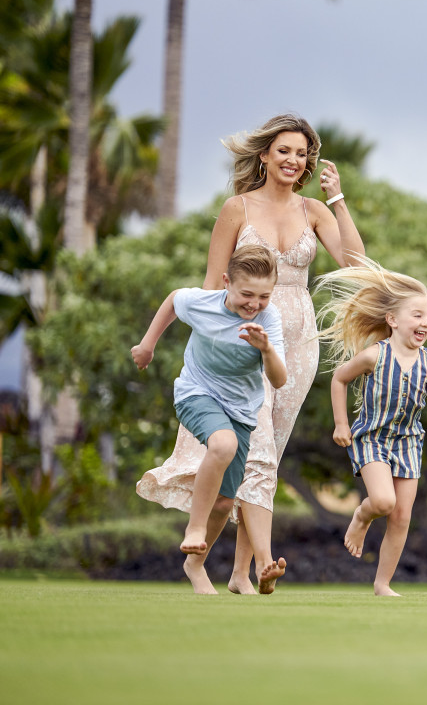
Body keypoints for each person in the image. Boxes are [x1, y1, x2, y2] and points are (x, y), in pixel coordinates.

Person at [137, 114, 366, 595]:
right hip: (241, 336)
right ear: (264, 155)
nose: (293, 160)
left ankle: (241, 573)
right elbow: (209, 283)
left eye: (302, 153)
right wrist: (208, 354)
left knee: (266, 457)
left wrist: (338, 201)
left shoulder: (313, 212)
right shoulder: (236, 208)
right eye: (284, 150)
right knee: (255, 449)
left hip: (295, 342)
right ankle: (258, 561)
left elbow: (356, 267)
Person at [131, 245, 287, 595]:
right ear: (226, 282)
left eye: (264, 296)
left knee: (225, 501)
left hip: (241, 410)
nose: (254, 303)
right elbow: (173, 300)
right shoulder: (202, 303)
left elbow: (278, 380)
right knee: (223, 444)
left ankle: (195, 564)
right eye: (246, 294)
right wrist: (147, 346)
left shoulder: (268, 319)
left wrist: (266, 350)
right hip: (195, 393)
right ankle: (194, 530)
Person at [316, 258, 427, 597]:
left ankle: (382, 584)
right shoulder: (374, 356)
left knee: (402, 516)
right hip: (372, 438)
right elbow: (339, 379)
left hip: (408, 442)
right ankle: (361, 517)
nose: (425, 323)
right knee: (382, 502)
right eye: (417, 315)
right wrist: (341, 423)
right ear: (392, 320)